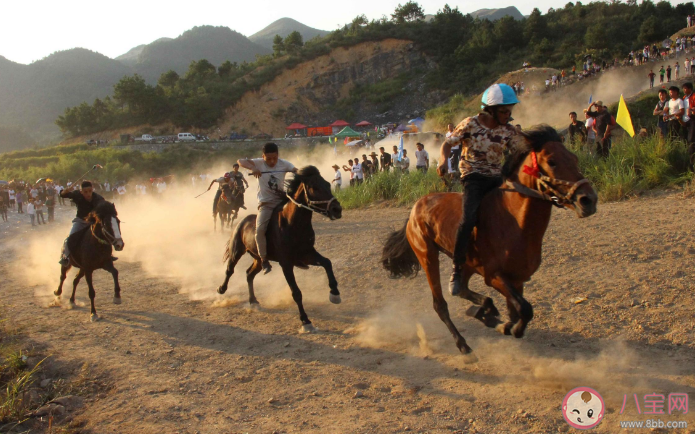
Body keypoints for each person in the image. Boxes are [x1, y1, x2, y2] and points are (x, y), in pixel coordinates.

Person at [437, 83, 523, 295]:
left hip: (496, 178)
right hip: (473, 177)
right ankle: (457, 268)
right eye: (504, 110)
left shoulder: (509, 131)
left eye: (510, 110)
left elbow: (522, 152)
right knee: (468, 220)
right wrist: (443, 161)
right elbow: (448, 144)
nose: (508, 114)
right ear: (490, 109)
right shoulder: (470, 124)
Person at [237, 142, 297, 274]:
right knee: (260, 230)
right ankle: (264, 259)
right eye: (268, 158)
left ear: (278, 155)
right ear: (262, 156)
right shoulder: (258, 163)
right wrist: (252, 168)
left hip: (282, 202)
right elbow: (240, 161)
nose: (272, 161)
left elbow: (295, 170)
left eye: (274, 158)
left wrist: (299, 173)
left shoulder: (284, 164)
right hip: (266, 204)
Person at [58, 181, 108, 266]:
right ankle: (65, 257)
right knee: (69, 239)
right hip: (80, 222)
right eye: (85, 192)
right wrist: (64, 191)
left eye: (90, 191)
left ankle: (108, 255)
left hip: (93, 223)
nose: (88, 194)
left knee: (106, 235)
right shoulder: (77, 195)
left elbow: (104, 208)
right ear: (81, 192)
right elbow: (63, 195)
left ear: (92, 189)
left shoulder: (98, 198)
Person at [682, 82, 695, 168]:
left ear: (690, 89)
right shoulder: (683, 98)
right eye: (683, 88)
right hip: (684, 121)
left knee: (691, 139)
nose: (684, 90)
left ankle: (692, 160)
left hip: (692, 119)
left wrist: (691, 109)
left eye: (686, 88)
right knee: (686, 139)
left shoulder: (693, 96)